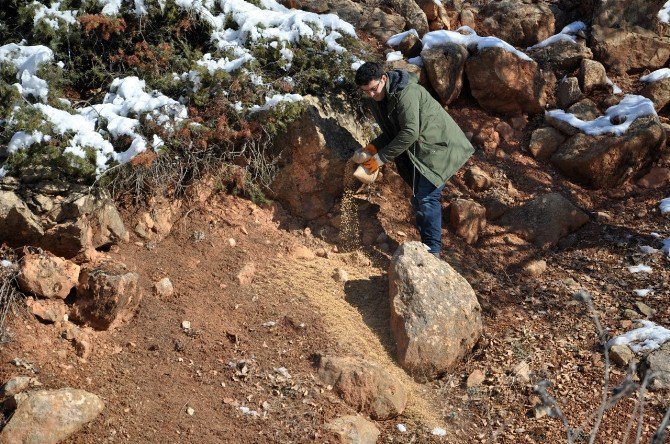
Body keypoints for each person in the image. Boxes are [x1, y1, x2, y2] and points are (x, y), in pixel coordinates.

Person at [355, 61, 474, 256]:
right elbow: (393, 131)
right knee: (420, 200)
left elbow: (409, 132)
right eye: (366, 91)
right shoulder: (378, 98)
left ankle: (431, 253)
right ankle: (427, 246)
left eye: (374, 89)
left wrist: (380, 158)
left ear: (383, 79)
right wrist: (373, 146)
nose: (371, 95)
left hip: (438, 147)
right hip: (422, 148)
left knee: (426, 198)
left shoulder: (406, 93)